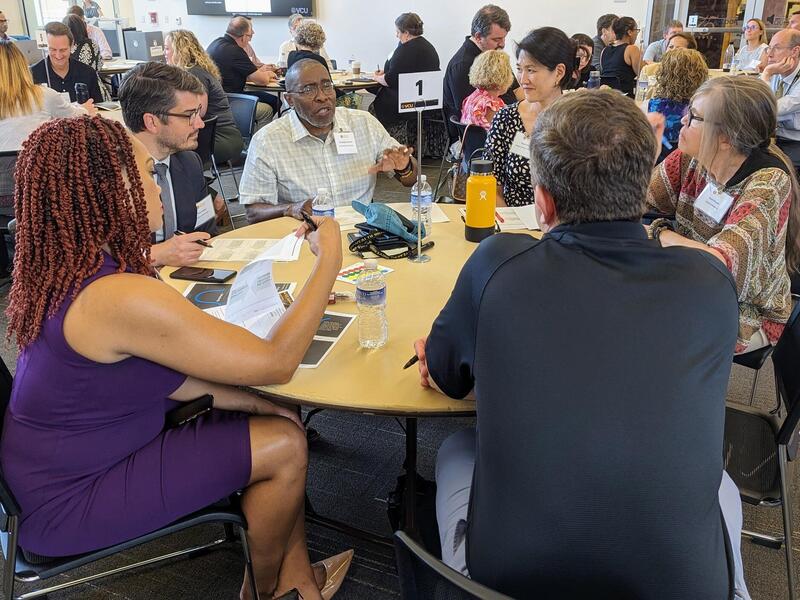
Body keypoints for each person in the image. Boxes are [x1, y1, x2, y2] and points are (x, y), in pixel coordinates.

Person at [414, 89, 751, 599]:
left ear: (543, 201)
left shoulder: (497, 265)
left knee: (456, 448)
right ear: (645, 186)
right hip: (685, 586)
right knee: (719, 488)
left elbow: (445, 378)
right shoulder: (710, 283)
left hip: (512, 584)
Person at [0, 115, 353, 600]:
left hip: (62, 463)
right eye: (145, 173)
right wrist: (328, 261)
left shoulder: (74, 269)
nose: (156, 186)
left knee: (278, 412)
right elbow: (276, 361)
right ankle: (266, 592)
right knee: (285, 446)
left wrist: (257, 402)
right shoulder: (119, 296)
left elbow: (151, 377)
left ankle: (295, 581)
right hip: (68, 498)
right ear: (111, 190)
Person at [647, 76, 799, 353]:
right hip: (689, 281)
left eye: (693, 116)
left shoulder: (768, 183)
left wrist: (658, 232)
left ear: (727, 137)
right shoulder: (691, 156)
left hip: (746, 310)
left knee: (646, 326)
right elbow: (635, 199)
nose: (682, 121)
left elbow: (720, 264)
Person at [239, 58, 418, 224]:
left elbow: (411, 180)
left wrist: (404, 167)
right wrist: (290, 208)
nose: (322, 96)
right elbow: (253, 211)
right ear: (289, 100)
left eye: (327, 86)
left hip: (361, 230)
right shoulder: (268, 141)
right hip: (307, 235)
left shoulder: (364, 123)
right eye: (308, 90)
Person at [118, 62, 223, 268]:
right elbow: (89, 259)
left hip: (185, 279)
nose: (200, 124)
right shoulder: (111, 173)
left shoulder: (189, 163)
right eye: (189, 115)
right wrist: (154, 254)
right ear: (152, 122)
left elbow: (206, 233)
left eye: (199, 113)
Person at [0, 39, 90, 278]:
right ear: (22, 67)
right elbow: (78, 116)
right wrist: (87, 109)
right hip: (40, 195)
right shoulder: (44, 95)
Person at [486, 27, 575, 207]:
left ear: (559, 72)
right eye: (519, 69)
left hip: (566, 227)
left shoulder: (578, 121)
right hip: (513, 225)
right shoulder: (506, 118)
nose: (522, 79)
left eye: (531, 70)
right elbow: (490, 184)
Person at [165, 29, 244, 166]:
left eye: (167, 49)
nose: (164, 53)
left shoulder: (195, 74)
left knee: (166, 147)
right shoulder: (191, 72)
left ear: (179, 51)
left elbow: (198, 112)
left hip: (219, 138)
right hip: (209, 134)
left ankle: (187, 184)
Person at [443, 5, 521, 141]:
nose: (502, 44)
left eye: (504, 38)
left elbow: (517, 91)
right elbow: (473, 118)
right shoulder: (462, 66)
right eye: (496, 39)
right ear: (478, 36)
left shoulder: (495, 56)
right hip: (480, 140)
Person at [371, 13, 440, 136]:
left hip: (403, 104)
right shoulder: (429, 47)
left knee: (373, 109)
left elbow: (390, 80)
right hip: (426, 102)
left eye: (398, 32)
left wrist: (377, 77)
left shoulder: (404, 50)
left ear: (406, 33)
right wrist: (386, 72)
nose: (396, 35)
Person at [207, 16, 278, 130]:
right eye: (250, 35)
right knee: (273, 102)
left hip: (216, 98)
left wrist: (260, 71)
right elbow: (262, 80)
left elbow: (236, 72)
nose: (252, 35)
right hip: (231, 99)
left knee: (271, 99)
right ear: (244, 37)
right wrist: (269, 74)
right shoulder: (235, 51)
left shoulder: (216, 43)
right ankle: (255, 140)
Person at [647, 48, 708, 153]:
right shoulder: (700, 111)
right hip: (686, 161)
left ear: (662, 74)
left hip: (655, 161)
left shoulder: (651, 106)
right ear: (700, 75)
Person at [31, 21, 103, 104]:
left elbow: (98, 107)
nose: (58, 55)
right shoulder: (33, 75)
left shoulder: (87, 73)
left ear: (72, 45)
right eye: (53, 49)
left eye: (63, 50)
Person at [760, 28, 800, 166]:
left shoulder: (772, 72)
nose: (769, 54)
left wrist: (767, 73)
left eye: (776, 48)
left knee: (768, 164)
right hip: (773, 137)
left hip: (795, 141)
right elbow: (754, 103)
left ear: (795, 51)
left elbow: (768, 108)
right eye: (768, 48)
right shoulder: (777, 72)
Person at [460, 49, 513, 129]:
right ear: (504, 76)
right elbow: (497, 135)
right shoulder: (491, 105)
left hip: (469, 141)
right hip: (485, 141)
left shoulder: (472, 98)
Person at [600, 16, 642, 97]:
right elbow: (643, 75)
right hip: (624, 98)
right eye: (636, 30)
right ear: (630, 32)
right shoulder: (632, 49)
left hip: (605, 96)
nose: (637, 34)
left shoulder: (604, 50)